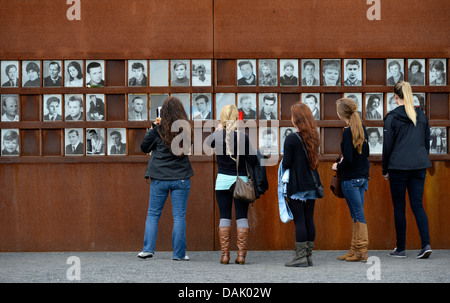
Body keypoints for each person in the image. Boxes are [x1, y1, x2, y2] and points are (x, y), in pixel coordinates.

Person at [138, 96, 194, 261]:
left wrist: (152, 129)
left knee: (153, 214)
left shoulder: (157, 130)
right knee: (179, 217)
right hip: (181, 178)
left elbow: (143, 148)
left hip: (159, 178)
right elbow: (188, 148)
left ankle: (147, 250)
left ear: (163, 112)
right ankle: (179, 254)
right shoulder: (186, 129)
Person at [382, 81, 432, 259]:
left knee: (399, 207)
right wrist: (421, 158)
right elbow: (427, 142)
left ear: (396, 97)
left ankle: (401, 249)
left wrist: (385, 169)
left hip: (398, 167)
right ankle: (425, 244)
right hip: (419, 166)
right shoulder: (421, 115)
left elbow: (387, 146)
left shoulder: (392, 117)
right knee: (417, 205)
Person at [206, 104, 257, 265]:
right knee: (242, 217)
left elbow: (208, 143)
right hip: (239, 182)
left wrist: (219, 129)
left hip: (221, 182)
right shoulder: (243, 137)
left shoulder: (217, 136)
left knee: (224, 217)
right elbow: (253, 160)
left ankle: (224, 256)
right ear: (236, 119)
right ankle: (241, 256)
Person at [282, 102, 321, 267]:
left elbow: (287, 163)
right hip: (312, 184)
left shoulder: (291, 139)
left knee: (299, 221)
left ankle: (300, 258)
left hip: (297, 185)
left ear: (296, 119)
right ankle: (308, 256)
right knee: (308, 219)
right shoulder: (313, 136)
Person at [332, 98, 370, 262]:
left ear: (341, 114)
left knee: (358, 214)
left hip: (351, 179)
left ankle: (361, 250)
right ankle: (354, 250)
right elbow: (365, 154)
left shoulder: (348, 132)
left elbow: (347, 159)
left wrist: (337, 167)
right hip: (362, 178)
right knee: (356, 214)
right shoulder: (362, 128)